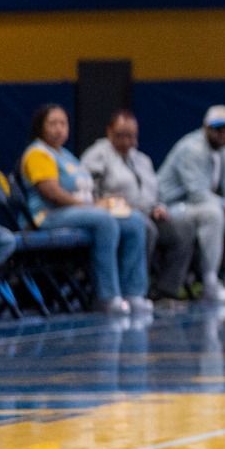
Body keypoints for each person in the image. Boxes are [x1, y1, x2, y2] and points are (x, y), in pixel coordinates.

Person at [20, 103, 152, 316]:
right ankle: (107, 296)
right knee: (104, 220)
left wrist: (105, 202)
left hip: (78, 214)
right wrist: (92, 207)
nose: (59, 128)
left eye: (63, 123)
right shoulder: (38, 153)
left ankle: (133, 293)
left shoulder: (66, 155)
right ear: (41, 127)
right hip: (47, 216)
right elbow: (51, 192)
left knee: (134, 221)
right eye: (53, 123)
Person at [159, 105, 225, 305]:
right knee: (213, 213)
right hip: (172, 207)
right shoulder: (191, 149)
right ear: (206, 128)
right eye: (217, 129)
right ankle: (210, 281)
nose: (222, 134)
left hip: (195, 207)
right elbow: (199, 195)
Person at [82, 108, 192, 302]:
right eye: (120, 135)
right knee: (146, 229)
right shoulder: (96, 156)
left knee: (182, 230)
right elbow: (87, 191)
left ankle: (166, 291)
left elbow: (155, 191)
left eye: (130, 137)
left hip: (148, 211)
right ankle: (134, 290)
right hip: (117, 214)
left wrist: (159, 207)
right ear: (109, 132)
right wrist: (104, 203)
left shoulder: (142, 160)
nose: (125, 141)